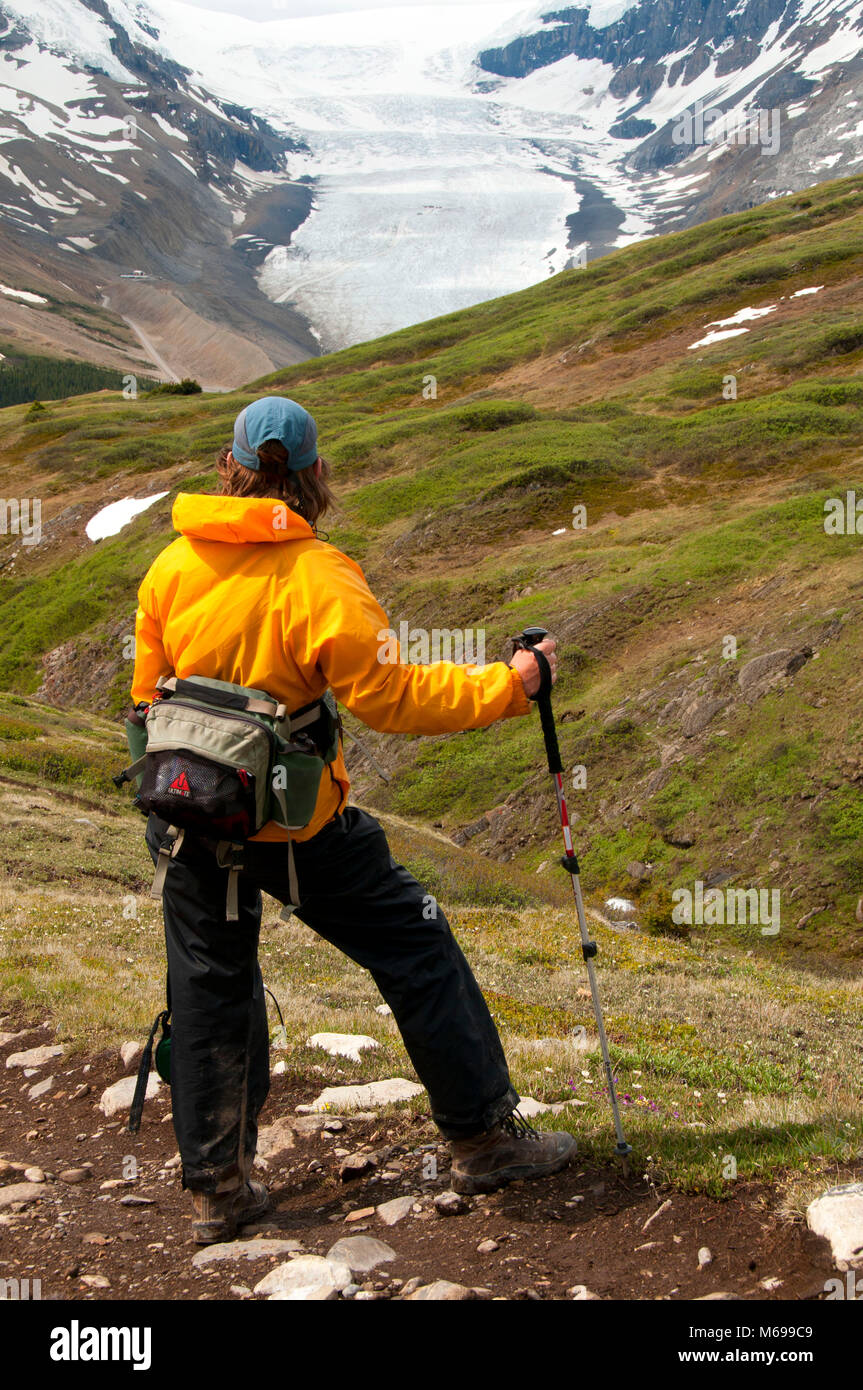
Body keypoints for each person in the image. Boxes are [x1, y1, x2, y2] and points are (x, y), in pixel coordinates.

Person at [130, 394, 574, 1244]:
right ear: (315, 474)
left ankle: (218, 1189)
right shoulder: (320, 575)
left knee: (209, 987)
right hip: (300, 826)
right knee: (414, 945)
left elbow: (149, 697)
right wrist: (510, 685)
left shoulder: (172, 567)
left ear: (227, 466)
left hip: (189, 815)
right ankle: (482, 1140)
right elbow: (390, 699)